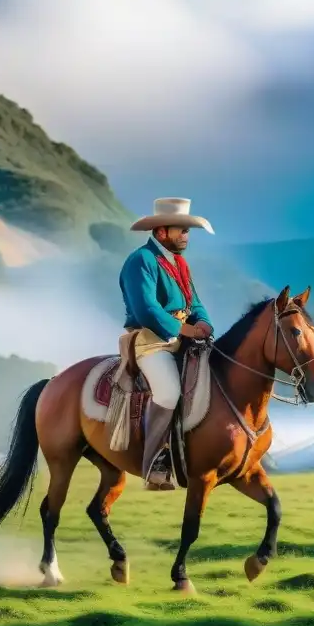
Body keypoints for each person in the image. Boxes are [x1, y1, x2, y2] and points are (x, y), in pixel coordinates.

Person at [119, 197, 216, 490]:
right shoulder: (140, 261)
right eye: (181, 230)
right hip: (150, 342)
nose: (186, 236)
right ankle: (155, 464)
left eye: (188, 231)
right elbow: (147, 310)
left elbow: (194, 302)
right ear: (161, 232)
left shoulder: (179, 263)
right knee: (170, 391)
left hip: (181, 339)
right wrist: (186, 330)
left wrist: (205, 323)